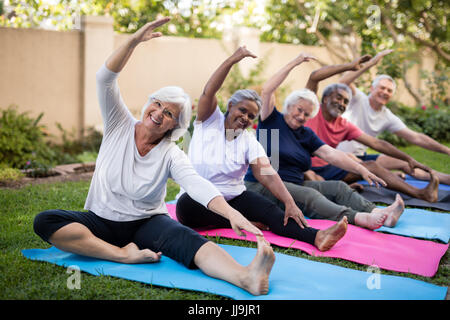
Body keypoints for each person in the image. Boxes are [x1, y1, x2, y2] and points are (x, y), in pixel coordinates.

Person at [32, 17, 276, 296]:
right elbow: (105, 78)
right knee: (46, 221)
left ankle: (245, 276)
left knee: (187, 239)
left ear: (176, 124)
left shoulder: (171, 154)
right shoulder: (118, 124)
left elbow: (197, 184)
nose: (159, 113)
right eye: (157, 104)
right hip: (101, 220)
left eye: (169, 113)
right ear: (148, 103)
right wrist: (134, 41)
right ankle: (122, 254)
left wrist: (232, 213)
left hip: (148, 223)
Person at [176, 46, 349, 250]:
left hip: (234, 197)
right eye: (242, 110)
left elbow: (267, 174)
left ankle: (317, 236)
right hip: (199, 201)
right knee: (185, 208)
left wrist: (289, 202)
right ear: (230, 105)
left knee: (272, 210)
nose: (245, 118)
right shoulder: (208, 121)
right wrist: (233, 59)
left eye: (251, 116)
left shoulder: (248, 140)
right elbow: (209, 90)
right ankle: (241, 221)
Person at [243, 52, 405, 230]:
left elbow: (331, 154)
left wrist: (361, 169)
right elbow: (267, 89)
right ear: (289, 106)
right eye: (299, 110)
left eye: (307, 114)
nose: (301, 116)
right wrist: (294, 62)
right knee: (310, 195)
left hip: (295, 184)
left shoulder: (306, 134)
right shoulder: (271, 120)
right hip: (262, 185)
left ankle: (378, 213)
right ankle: (359, 218)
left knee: (338, 187)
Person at [302, 57, 440, 203]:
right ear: (325, 98)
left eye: (345, 101)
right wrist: (348, 66)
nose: (341, 103)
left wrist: (408, 159)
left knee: (371, 166)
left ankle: (421, 193)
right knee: (312, 176)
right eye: (338, 98)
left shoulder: (343, 124)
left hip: (329, 168)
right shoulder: (311, 109)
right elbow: (314, 77)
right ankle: (336, 188)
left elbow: (377, 143)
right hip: (304, 167)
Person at [337, 49, 450, 185]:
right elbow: (342, 83)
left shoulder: (386, 115)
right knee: (367, 165)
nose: (385, 92)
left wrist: (447, 150)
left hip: (362, 158)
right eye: (382, 88)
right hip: (339, 156)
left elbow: (416, 137)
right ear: (372, 89)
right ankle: (384, 174)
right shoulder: (358, 99)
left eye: (389, 90)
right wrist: (371, 63)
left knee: (404, 162)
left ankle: (445, 179)